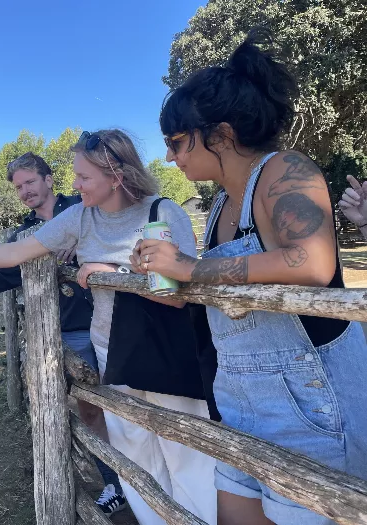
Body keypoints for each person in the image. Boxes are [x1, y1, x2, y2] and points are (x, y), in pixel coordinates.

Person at [134, 29, 367, 525]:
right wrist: (177, 283)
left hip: (311, 398)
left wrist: (192, 268)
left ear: (220, 134)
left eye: (177, 142)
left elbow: (314, 261)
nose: (171, 156)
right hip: (240, 398)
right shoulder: (219, 202)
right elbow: (229, 286)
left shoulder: (286, 168)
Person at [0, 129, 218, 525]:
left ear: (115, 174)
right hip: (112, 353)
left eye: (83, 176)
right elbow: (17, 252)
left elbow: (177, 295)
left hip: (165, 355)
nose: (75, 183)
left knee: (186, 454)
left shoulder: (162, 213)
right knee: (134, 453)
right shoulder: (81, 217)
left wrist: (109, 273)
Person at [0, 152, 127, 516]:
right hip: (67, 334)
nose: (25, 191)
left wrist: (84, 248)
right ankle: (116, 485)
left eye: (30, 182)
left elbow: (119, 236)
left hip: (113, 324)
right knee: (90, 412)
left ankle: (149, 478)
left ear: (49, 179)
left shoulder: (86, 209)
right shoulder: (24, 235)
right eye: (18, 186)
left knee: (127, 404)